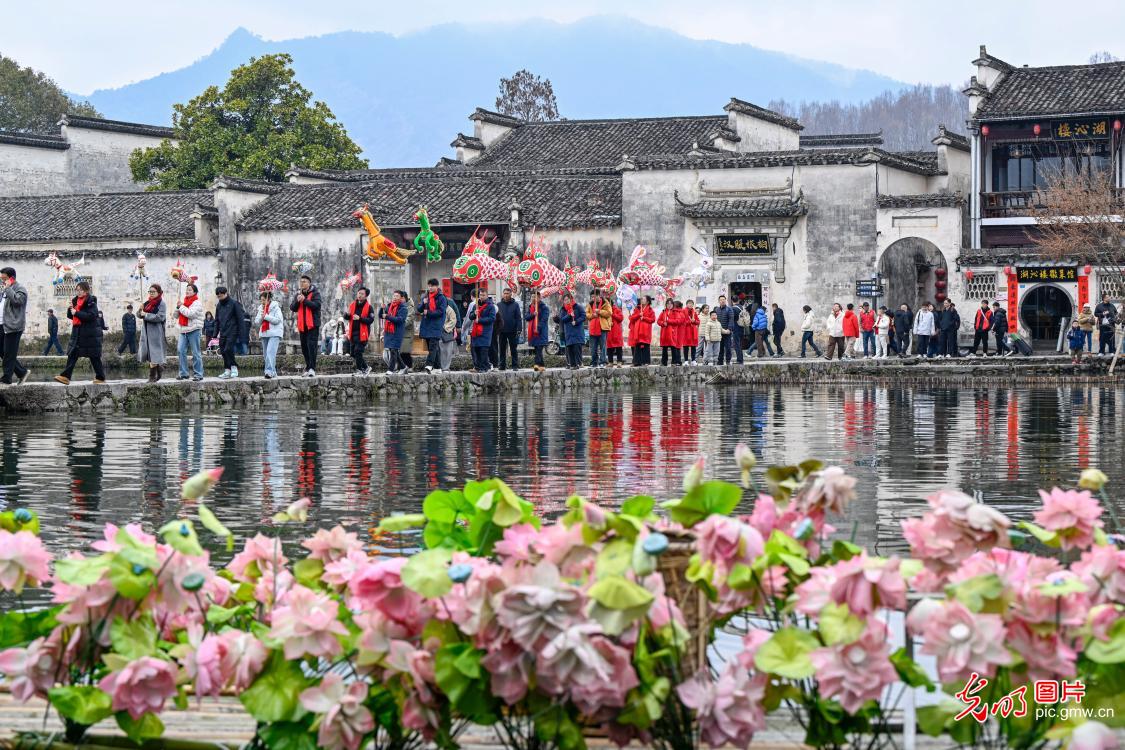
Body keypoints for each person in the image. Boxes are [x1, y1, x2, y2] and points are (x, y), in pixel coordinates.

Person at [54, 281, 106, 384]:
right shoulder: (75, 301)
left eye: (81, 290)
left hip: (90, 333)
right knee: (73, 353)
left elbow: (92, 315)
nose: (78, 292)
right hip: (78, 332)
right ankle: (65, 377)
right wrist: (70, 310)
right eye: (77, 290)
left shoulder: (91, 301)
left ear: (86, 290)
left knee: (94, 355)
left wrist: (76, 312)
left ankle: (100, 377)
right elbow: (71, 316)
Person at [0, 268, 29, 386]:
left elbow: (18, 301)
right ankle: (22, 372)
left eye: (4, 279)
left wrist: (8, 288)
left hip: (14, 325)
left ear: (12, 278)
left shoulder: (20, 289)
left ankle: (7, 378)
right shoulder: (3, 289)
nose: (2, 281)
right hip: (2, 325)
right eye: (1, 279)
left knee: (9, 353)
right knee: (3, 351)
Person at [290, 274, 322, 376]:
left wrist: (305, 300)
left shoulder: (315, 293)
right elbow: (293, 308)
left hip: (312, 324)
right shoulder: (298, 294)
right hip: (302, 325)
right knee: (304, 347)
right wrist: (298, 301)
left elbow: (316, 305)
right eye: (301, 281)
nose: (302, 283)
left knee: (311, 346)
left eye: (304, 281)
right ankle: (308, 367)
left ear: (309, 283)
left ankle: (312, 368)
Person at [175, 283, 205, 381]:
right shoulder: (183, 302)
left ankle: (198, 374)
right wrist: (178, 307)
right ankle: (183, 373)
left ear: (195, 292)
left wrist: (181, 307)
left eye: (190, 290)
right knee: (180, 350)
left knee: (195, 352)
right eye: (187, 289)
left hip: (194, 330)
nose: (187, 291)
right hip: (183, 330)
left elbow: (190, 314)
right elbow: (176, 316)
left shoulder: (197, 303)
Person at [417, 279, 448, 373]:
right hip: (426, 325)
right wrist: (423, 303)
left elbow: (441, 311)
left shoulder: (441, 298)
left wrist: (429, 312)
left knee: (433, 346)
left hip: (436, 325)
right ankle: (438, 367)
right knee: (433, 347)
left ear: (437, 286)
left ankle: (429, 365)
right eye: (429, 286)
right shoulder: (425, 296)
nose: (430, 288)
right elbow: (419, 309)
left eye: (432, 286)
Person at [137, 284, 166, 381]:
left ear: (158, 292)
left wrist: (146, 315)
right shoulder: (147, 303)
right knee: (149, 353)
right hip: (146, 331)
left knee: (154, 353)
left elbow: (160, 317)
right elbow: (139, 315)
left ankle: (152, 377)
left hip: (156, 331)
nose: (151, 293)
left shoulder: (161, 303)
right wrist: (140, 309)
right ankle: (159, 368)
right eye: (150, 291)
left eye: (153, 291)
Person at [214, 286, 245, 379]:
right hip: (223, 332)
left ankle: (234, 367)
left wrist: (242, 334)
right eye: (218, 296)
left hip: (233, 331)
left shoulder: (234, 304)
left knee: (228, 349)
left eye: (221, 295)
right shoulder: (219, 305)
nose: (220, 297)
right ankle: (227, 370)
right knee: (223, 350)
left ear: (226, 293)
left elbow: (240, 319)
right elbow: (217, 320)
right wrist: (214, 334)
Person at [254, 291, 283, 379]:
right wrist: (261, 317)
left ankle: (268, 371)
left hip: (275, 332)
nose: (262, 302)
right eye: (261, 300)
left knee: (270, 352)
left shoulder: (276, 307)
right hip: (264, 333)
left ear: (269, 299)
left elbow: (278, 320)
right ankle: (273, 372)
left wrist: (266, 316)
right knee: (266, 354)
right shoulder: (261, 309)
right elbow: (256, 322)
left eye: (264, 300)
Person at [380, 291, 408, 373]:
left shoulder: (403, 308)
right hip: (388, 331)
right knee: (393, 350)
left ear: (401, 298)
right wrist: (382, 309)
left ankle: (390, 369)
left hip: (397, 331)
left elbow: (400, 320)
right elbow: (381, 315)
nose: (395, 297)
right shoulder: (389, 306)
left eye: (397, 296)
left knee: (394, 350)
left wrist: (388, 317)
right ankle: (403, 367)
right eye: (394, 296)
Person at [468, 292, 496, 372]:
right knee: (476, 349)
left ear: (487, 296)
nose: (482, 297)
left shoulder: (490, 306)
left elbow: (492, 318)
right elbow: (470, 316)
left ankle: (484, 367)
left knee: (483, 349)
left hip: (485, 331)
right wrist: (474, 313)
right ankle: (477, 367)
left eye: (483, 295)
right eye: (480, 295)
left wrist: (479, 320)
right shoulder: (475, 305)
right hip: (475, 331)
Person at [557, 293, 586, 369]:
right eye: (565, 300)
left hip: (577, 332)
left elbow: (583, 316)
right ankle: (572, 364)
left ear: (571, 299)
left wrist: (576, 321)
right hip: (568, 332)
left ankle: (578, 364)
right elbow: (562, 319)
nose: (566, 301)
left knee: (576, 348)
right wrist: (569, 315)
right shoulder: (563, 309)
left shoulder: (578, 307)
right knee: (569, 349)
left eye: (567, 299)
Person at [497, 287, 522, 370]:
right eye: (505, 293)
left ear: (511, 294)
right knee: (502, 349)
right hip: (502, 330)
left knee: (513, 349)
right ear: (502, 294)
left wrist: (519, 328)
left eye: (508, 293)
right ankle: (502, 365)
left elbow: (518, 317)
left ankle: (515, 365)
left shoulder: (515, 305)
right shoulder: (498, 305)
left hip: (512, 330)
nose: (506, 295)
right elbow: (496, 318)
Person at [525, 291, 550, 371]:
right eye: (532, 297)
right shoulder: (531, 307)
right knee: (537, 349)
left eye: (535, 297)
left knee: (539, 348)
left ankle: (536, 364)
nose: (533, 298)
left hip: (541, 332)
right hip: (533, 332)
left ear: (539, 298)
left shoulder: (544, 307)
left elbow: (544, 319)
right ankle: (542, 366)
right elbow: (527, 317)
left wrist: (538, 327)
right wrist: (533, 314)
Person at [629, 296, 655, 366]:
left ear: (647, 301)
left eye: (643, 299)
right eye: (642, 299)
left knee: (646, 346)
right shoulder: (637, 308)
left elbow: (653, 319)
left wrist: (644, 318)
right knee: (637, 346)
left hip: (646, 330)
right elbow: (631, 318)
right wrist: (638, 315)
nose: (641, 300)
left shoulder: (650, 310)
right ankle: (637, 362)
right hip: (638, 330)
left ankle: (646, 361)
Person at [658, 299, 681, 366]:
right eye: (668, 304)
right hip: (664, 332)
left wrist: (669, 321)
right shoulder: (663, 312)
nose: (669, 305)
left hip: (672, 332)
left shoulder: (675, 312)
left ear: (673, 305)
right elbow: (658, 321)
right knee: (664, 348)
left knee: (673, 348)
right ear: (666, 305)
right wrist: (662, 323)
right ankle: (664, 362)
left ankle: (674, 362)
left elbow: (678, 321)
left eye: (670, 304)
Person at [439, 297, 460, 371]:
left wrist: (445, 327)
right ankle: (440, 366)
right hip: (438, 332)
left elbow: (453, 320)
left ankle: (446, 367)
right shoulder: (438, 308)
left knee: (448, 351)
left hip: (447, 332)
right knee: (440, 351)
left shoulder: (449, 309)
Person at [716, 295, 735, 364]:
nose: (722, 301)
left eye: (723, 299)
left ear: (725, 300)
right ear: (719, 301)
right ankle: (720, 361)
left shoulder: (729, 309)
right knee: (720, 348)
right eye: (721, 299)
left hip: (727, 331)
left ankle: (728, 360)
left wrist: (729, 329)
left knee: (728, 347)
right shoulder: (717, 310)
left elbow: (731, 319)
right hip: (719, 332)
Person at [400, 294, 416, 371]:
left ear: (406, 298)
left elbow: (409, 319)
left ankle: (409, 366)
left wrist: (399, 324)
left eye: (402, 298)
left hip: (407, 333)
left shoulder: (410, 308)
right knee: (400, 351)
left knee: (405, 351)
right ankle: (402, 367)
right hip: (399, 332)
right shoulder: (397, 307)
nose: (401, 299)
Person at [607, 299, 625, 366]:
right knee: (609, 347)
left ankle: (619, 361)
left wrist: (613, 314)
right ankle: (610, 361)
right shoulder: (606, 311)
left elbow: (621, 318)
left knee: (618, 347)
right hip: (609, 331)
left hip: (616, 331)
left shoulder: (617, 310)